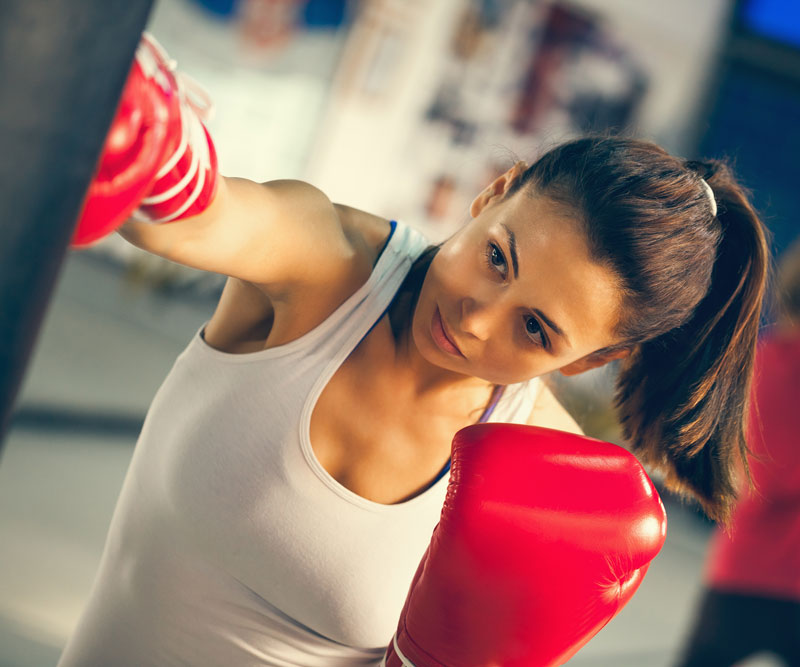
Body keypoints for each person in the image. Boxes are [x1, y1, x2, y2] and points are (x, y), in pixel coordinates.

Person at [58, 35, 769, 666]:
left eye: (535, 330)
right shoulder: (327, 266)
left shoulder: (551, 481)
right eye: (497, 257)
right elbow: (197, 218)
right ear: (493, 194)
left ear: (583, 362)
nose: (477, 317)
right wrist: (150, 140)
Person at [675, 238, 800, 667]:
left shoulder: (770, 361)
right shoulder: (775, 364)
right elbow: (770, 476)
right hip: (754, 573)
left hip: (750, 572)